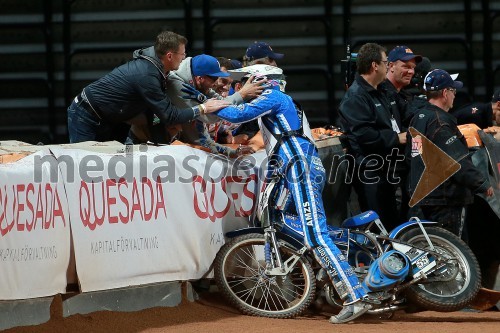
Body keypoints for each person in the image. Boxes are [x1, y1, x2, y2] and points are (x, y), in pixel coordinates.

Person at [204, 64, 370, 324]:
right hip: (289, 167)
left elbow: (238, 115)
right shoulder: (274, 103)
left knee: (315, 232)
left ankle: (354, 295)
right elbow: (234, 127)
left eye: (247, 81)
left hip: (297, 164)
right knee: (274, 217)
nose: (242, 87)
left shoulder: (274, 97)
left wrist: (210, 104)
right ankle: (297, 279)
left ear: (260, 81)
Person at [67, 31, 229, 143]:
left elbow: (155, 114)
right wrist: (202, 108)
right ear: (170, 55)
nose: (184, 58)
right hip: (86, 115)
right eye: (182, 54)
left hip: (107, 117)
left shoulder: (158, 70)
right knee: (84, 170)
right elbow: (169, 116)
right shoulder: (148, 75)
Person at [407, 69, 494, 237]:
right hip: (445, 200)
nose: (455, 95)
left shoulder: (418, 117)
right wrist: (481, 183)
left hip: (423, 198)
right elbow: (457, 160)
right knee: (455, 253)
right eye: (453, 91)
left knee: (433, 249)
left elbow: (409, 157)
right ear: (445, 93)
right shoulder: (440, 122)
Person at [338, 43, 407, 231]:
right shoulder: (355, 97)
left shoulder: (382, 90)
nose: (388, 67)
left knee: (392, 225)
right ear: (375, 65)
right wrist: (396, 138)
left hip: (387, 169)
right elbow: (364, 135)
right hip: (370, 173)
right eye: (386, 62)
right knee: (377, 227)